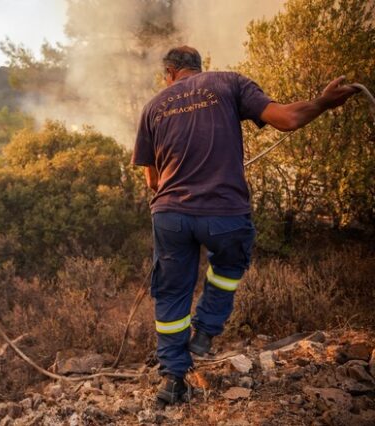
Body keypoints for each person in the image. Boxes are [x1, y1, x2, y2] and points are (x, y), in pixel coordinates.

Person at [131, 46, 358, 405]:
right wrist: (323, 102)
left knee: (172, 294)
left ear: (171, 72)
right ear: (198, 68)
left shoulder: (154, 106)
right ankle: (205, 332)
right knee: (227, 268)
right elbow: (287, 119)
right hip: (224, 213)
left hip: (170, 215)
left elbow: (152, 182)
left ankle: (173, 380)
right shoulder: (228, 83)